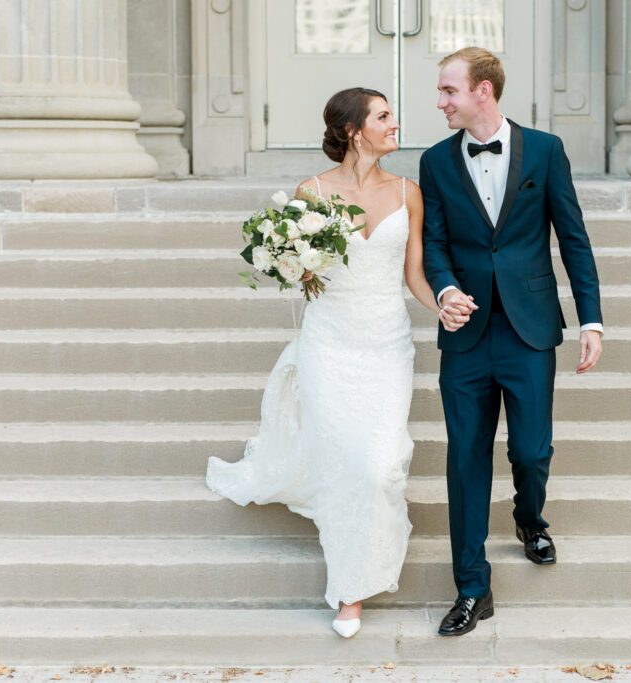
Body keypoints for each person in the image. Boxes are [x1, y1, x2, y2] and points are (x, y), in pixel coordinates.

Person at [206, 87, 439, 639]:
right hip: (329, 344)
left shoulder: (410, 193)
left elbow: (414, 275)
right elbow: (302, 275)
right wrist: (293, 263)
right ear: (356, 130)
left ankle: (363, 568)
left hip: (385, 345)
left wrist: (444, 304)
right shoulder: (311, 191)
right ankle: (348, 590)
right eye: (384, 117)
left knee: (377, 464)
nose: (395, 124)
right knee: (344, 464)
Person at [419, 47, 604, 637]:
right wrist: (444, 289)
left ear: (484, 92)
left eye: (449, 90)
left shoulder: (545, 151)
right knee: (465, 459)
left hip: (529, 328)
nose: (440, 101)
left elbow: (573, 237)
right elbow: (435, 243)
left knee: (530, 450)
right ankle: (472, 587)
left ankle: (530, 519)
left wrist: (591, 319)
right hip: (465, 334)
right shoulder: (434, 161)